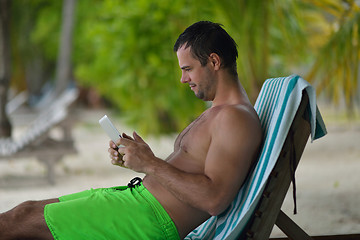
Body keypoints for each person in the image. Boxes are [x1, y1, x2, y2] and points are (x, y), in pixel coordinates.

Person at [0, 21, 262, 240]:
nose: (183, 79)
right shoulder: (219, 113)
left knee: (20, 220)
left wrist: (150, 164)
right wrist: (139, 158)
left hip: (145, 221)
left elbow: (214, 199)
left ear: (214, 61)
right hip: (134, 202)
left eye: (188, 69)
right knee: (25, 214)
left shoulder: (234, 119)